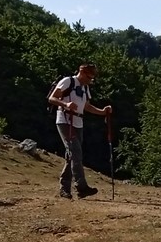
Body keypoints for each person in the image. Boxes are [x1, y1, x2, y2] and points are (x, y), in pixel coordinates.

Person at [47, 63, 113, 199]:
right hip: (65, 120)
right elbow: (52, 98)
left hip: (78, 122)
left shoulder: (85, 87)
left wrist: (103, 112)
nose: (90, 81)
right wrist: (66, 104)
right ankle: (81, 187)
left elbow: (87, 107)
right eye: (89, 77)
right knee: (76, 153)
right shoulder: (68, 81)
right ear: (82, 73)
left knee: (71, 156)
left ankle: (64, 189)